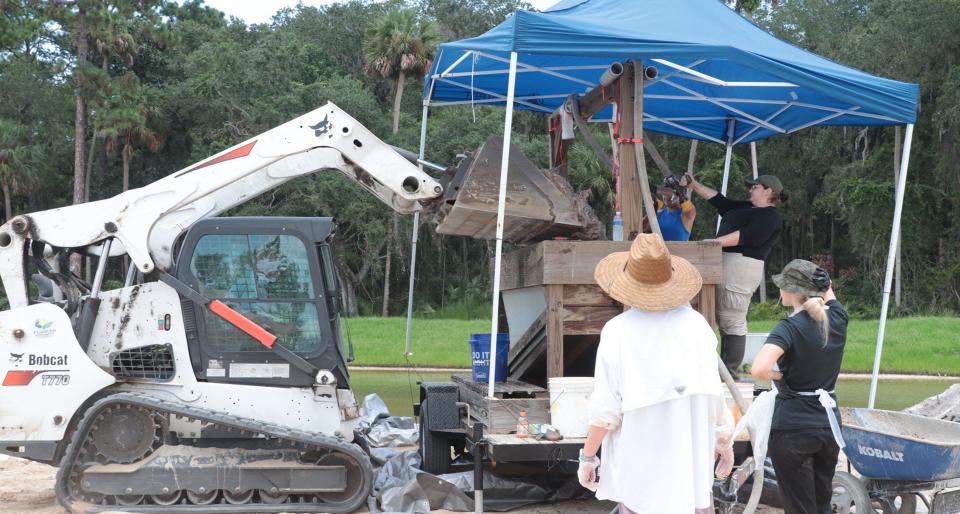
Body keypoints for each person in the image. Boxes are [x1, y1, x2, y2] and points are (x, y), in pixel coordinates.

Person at [578, 233, 734, 514]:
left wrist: (588, 456)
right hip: (691, 471)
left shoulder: (618, 331)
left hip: (642, 472)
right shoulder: (698, 327)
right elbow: (715, 394)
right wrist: (723, 440)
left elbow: (605, 410)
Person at [750, 260, 847, 514]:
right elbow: (830, 295)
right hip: (828, 427)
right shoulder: (837, 318)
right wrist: (824, 285)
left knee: (800, 509)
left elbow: (759, 368)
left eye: (782, 286)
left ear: (791, 291)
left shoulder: (789, 327)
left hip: (793, 429)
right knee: (822, 505)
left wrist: (779, 376)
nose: (779, 291)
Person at [682, 173, 786, 378]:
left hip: (742, 266)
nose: (750, 190)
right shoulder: (746, 207)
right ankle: (717, 373)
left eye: (755, 187)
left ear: (768, 191)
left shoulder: (771, 217)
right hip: (724, 262)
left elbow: (746, 236)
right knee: (717, 316)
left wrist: (714, 242)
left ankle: (729, 373)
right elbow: (719, 200)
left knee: (732, 320)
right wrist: (694, 185)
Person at [654, 175, 696, 241]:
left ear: (679, 195)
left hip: (679, 251)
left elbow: (690, 209)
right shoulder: (659, 214)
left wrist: (678, 191)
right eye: (665, 193)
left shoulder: (686, 215)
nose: (668, 196)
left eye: (671, 194)